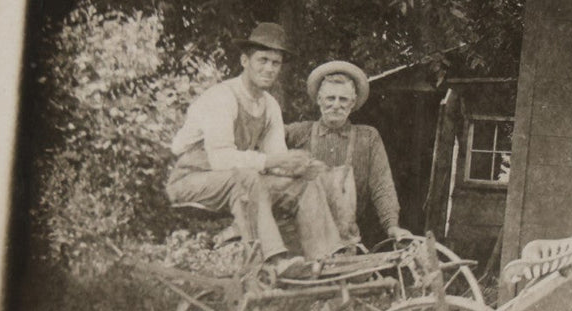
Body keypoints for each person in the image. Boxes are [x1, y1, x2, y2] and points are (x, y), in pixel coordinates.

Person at [166, 23, 352, 275]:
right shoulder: (222, 97)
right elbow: (221, 158)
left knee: (305, 183)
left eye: (275, 63)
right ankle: (273, 261)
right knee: (247, 177)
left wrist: (300, 167)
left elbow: (275, 162)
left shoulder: (270, 106)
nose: (269, 68)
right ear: (245, 60)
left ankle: (324, 260)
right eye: (262, 60)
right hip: (192, 179)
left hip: (240, 182)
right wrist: (276, 161)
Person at [285, 61, 413, 244]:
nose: (336, 105)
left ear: (352, 103)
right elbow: (265, 135)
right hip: (301, 241)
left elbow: (382, 186)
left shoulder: (368, 138)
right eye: (330, 98)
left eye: (343, 99)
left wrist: (392, 225)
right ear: (319, 100)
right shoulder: (298, 133)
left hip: (344, 242)